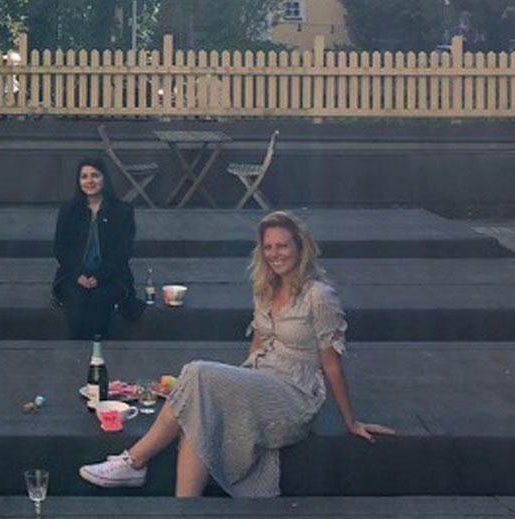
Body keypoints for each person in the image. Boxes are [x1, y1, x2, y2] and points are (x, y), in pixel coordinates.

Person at [79, 212, 391, 497]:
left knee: (198, 372)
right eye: (268, 247)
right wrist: (235, 389)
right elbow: (256, 346)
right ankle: (185, 509)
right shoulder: (266, 288)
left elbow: (331, 363)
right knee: (200, 410)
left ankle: (134, 461)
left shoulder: (320, 296)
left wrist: (350, 421)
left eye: (282, 246)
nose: (274, 254)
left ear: (300, 247)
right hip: (261, 381)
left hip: (295, 397)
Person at [52, 158, 143, 340]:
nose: (90, 181)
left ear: (104, 178)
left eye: (95, 175)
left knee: (99, 303)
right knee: (77, 305)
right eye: (84, 177)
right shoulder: (68, 210)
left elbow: (122, 251)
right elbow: (61, 248)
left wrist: (99, 276)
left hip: (111, 275)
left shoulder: (122, 211)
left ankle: (100, 355)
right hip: (74, 275)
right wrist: (79, 275)